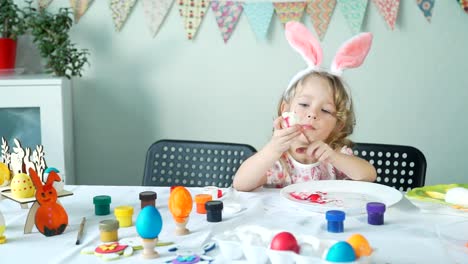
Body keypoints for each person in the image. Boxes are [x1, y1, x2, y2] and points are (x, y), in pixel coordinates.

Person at [233, 22, 377, 192]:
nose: (312, 114)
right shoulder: (278, 160)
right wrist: (272, 149)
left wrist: (334, 157)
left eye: (325, 110)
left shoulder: (334, 156)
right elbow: (240, 184)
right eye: (304, 104)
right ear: (285, 110)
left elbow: (369, 175)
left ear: (337, 125)